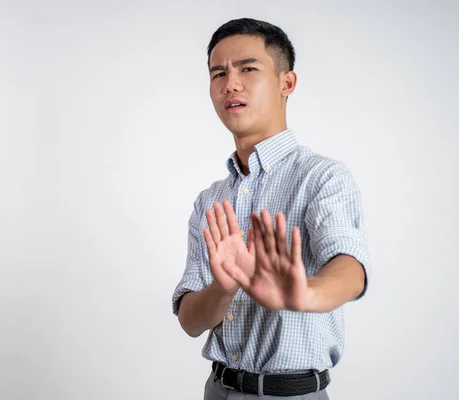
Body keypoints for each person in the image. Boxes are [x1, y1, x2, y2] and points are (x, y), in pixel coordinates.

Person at [172, 17, 370, 400]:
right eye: (218, 73)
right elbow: (191, 321)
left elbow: (350, 267)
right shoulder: (210, 201)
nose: (230, 83)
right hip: (218, 390)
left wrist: (304, 294)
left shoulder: (321, 177)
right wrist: (223, 288)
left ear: (287, 83)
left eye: (248, 68)